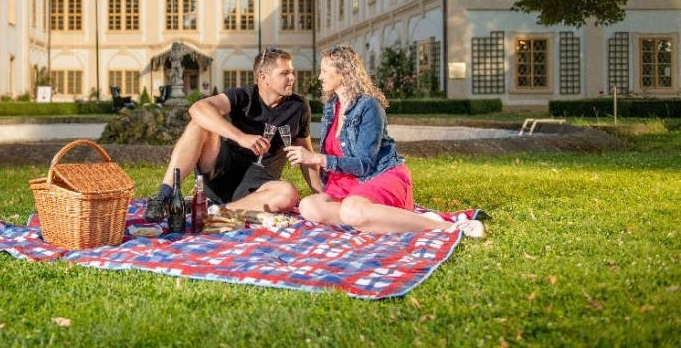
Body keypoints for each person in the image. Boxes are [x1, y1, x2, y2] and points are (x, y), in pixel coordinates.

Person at [284, 44, 484, 237]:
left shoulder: (369, 107)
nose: (320, 77)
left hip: (378, 176)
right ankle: (377, 218)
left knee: (350, 211)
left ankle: (444, 226)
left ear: (343, 73)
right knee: (308, 206)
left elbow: (365, 164)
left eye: (325, 71)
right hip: (344, 183)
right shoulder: (331, 107)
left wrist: (316, 159)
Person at [144, 47, 319, 221]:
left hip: (258, 188)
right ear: (263, 78)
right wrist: (241, 137)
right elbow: (198, 108)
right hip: (221, 173)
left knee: (288, 194)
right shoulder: (244, 96)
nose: (292, 78)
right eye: (285, 73)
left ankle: (215, 211)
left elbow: (306, 156)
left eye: (292, 72)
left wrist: (321, 196)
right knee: (200, 122)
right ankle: (164, 196)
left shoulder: (299, 107)